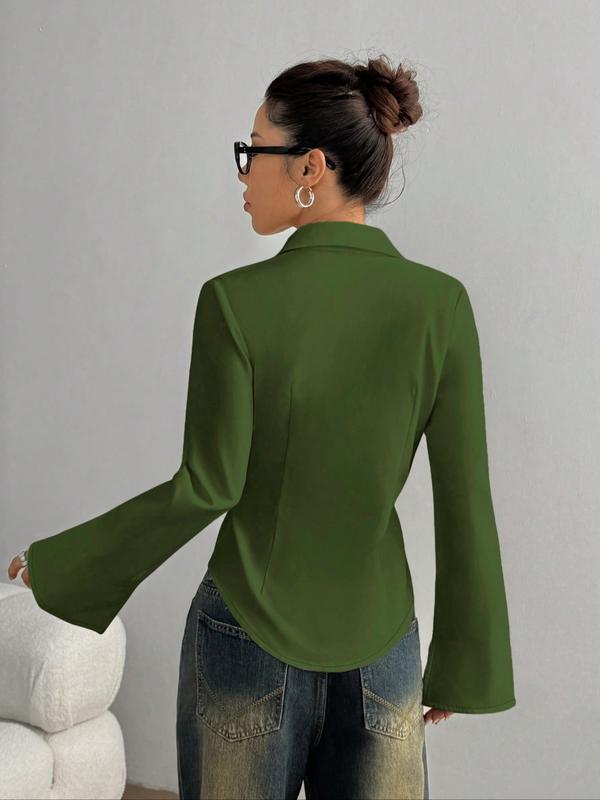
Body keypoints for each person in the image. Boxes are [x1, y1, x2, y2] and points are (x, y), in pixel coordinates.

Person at [8, 54, 515, 799]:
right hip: (381, 642)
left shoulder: (234, 302)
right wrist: (465, 667)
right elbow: (465, 497)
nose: (243, 173)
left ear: (310, 166)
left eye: (254, 150)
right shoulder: (441, 306)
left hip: (245, 632)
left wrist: (64, 566)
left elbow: (207, 485)